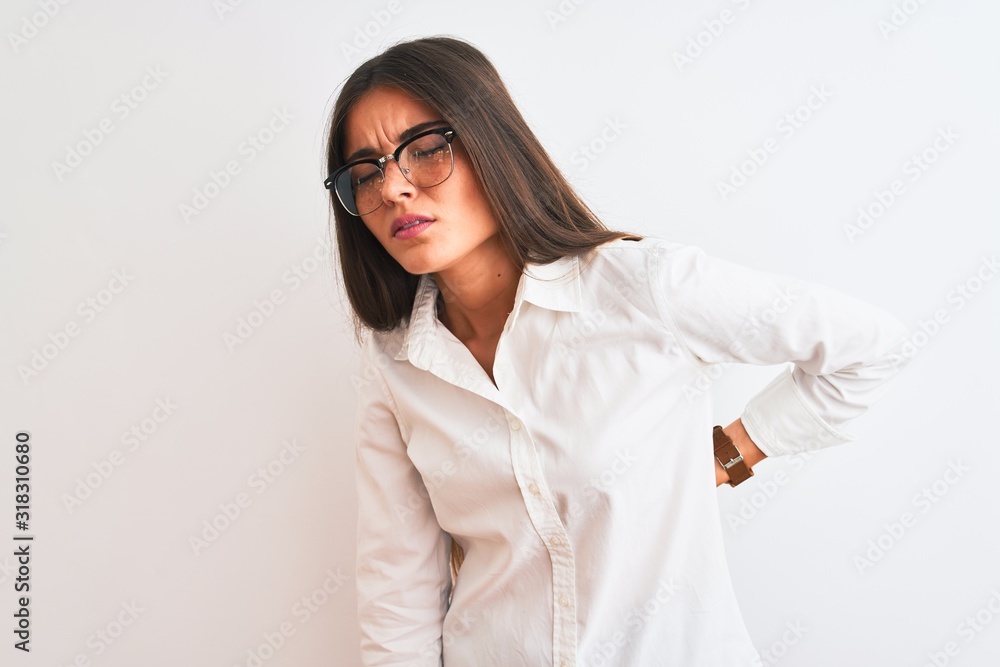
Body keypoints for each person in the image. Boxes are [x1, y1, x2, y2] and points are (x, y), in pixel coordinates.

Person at [323, 35, 910, 667]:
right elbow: (398, 595)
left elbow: (866, 350)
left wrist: (730, 454)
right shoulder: (392, 364)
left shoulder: (639, 288)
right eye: (366, 172)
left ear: (491, 141)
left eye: (427, 151)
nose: (394, 190)